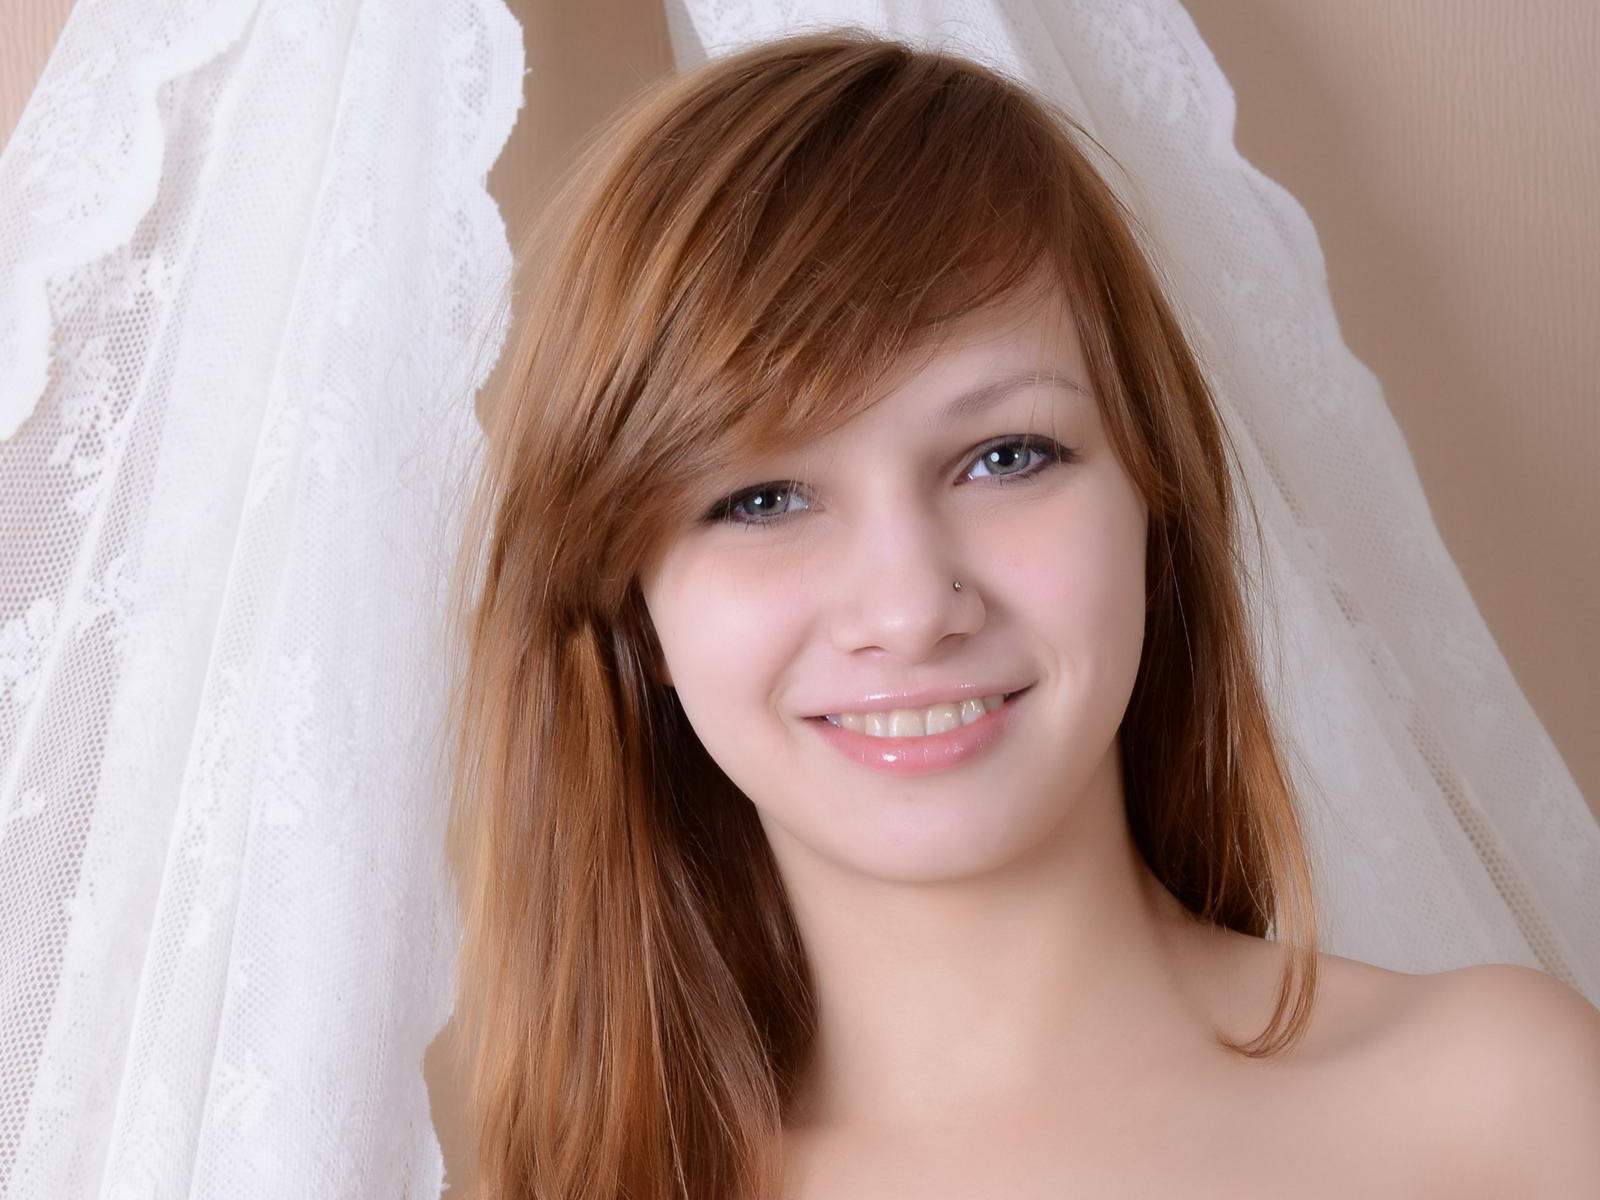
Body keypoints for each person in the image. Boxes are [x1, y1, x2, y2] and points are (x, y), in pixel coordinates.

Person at [439, 25, 1600, 1200]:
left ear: (1154, 504)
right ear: (632, 611)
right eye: (762, 498)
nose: (910, 608)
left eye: (1005, 456)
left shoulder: (1505, 1112)